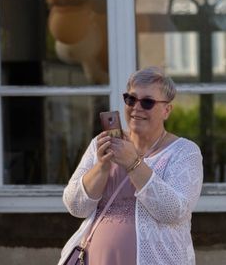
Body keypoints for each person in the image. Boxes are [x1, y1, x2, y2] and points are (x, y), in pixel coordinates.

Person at [59, 66, 203, 265]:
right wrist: (102, 166)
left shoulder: (184, 151)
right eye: (131, 99)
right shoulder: (101, 144)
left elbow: (173, 211)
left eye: (147, 102)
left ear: (167, 110)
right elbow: (75, 207)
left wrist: (132, 163)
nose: (137, 107)